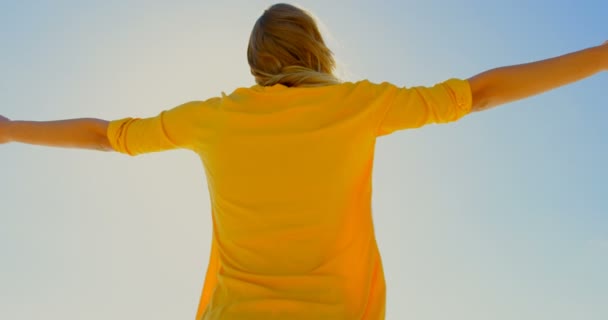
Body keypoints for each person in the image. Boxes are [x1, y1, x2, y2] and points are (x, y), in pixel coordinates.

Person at [0, 3, 606, 320]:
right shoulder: (359, 105)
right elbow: (482, 93)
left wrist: (8, 131)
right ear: (318, 49)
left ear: (254, 62)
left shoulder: (213, 117)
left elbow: (107, 136)